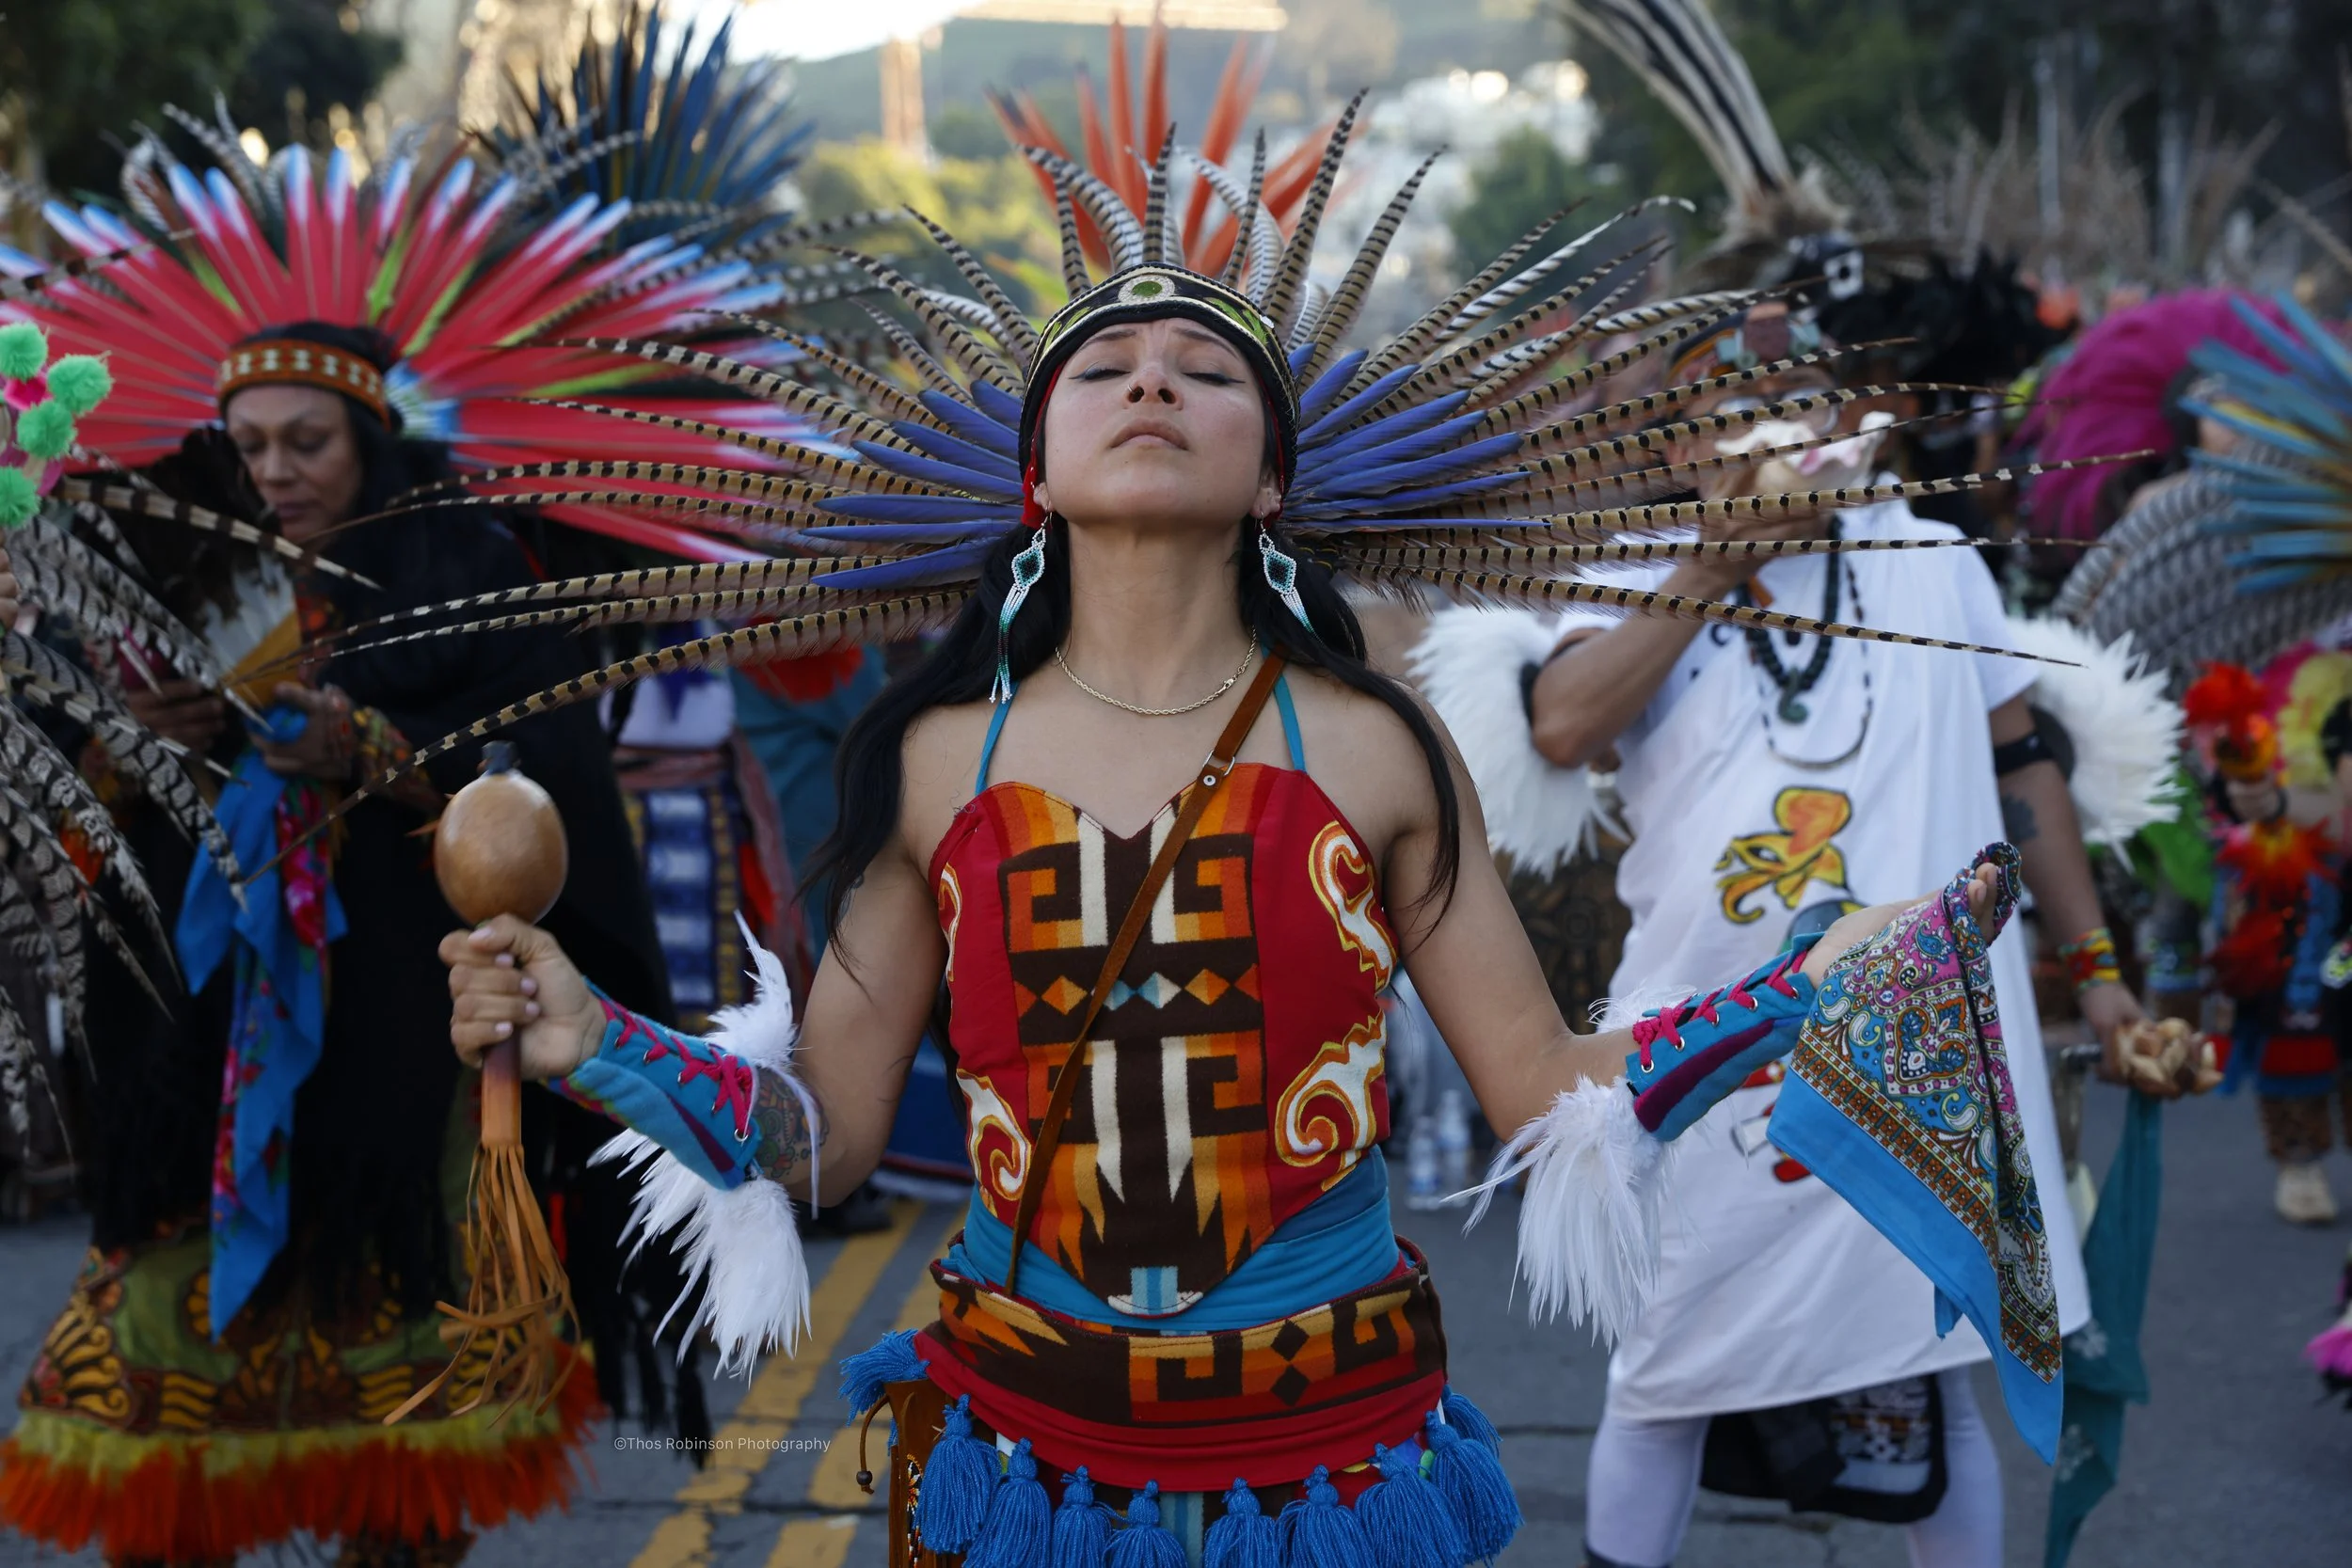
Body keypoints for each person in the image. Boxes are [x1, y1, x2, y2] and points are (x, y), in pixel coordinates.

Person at [427, 190, 2038, 1561]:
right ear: (1037, 470)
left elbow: (1549, 1087)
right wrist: (591, 1038)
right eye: (1104, 369)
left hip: (1328, 1463)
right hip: (1023, 1465)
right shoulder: (934, 760)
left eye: (1205, 370)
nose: (1152, 381)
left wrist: (1811, 985)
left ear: (1270, 474)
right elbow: (824, 1138)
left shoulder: (1378, 744)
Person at [1423, 296, 2141, 1568]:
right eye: (1737, 410)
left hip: (1923, 1039)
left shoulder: (1934, 562)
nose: (1778, 432)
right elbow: (1564, 728)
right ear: (1684, 443)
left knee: (1939, 1360)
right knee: (1665, 1372)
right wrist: (1709, 568)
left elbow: (2020, 764)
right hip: (1707, 1040)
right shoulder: (1636, 569)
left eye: (1801, 403)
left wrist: (2096, 972)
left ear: (1851, 422)